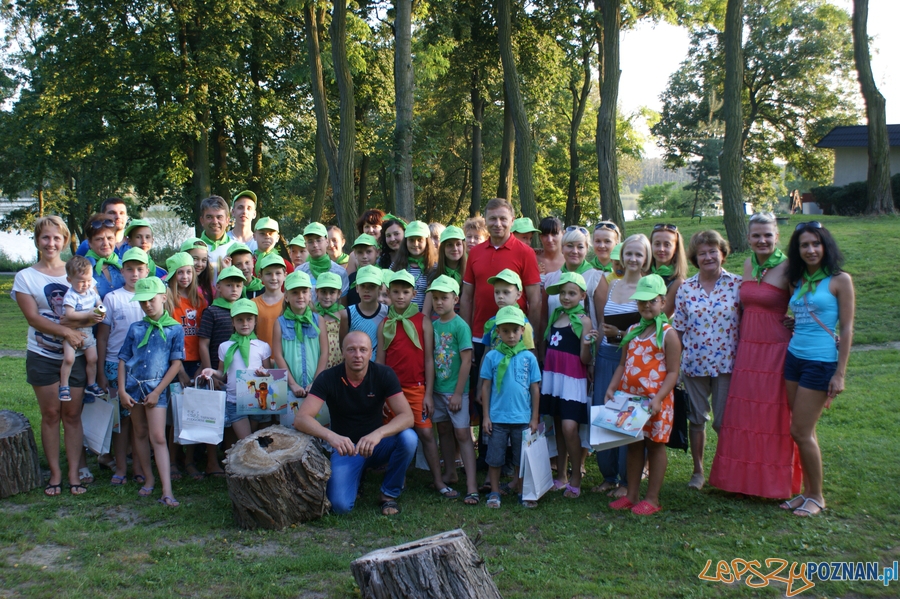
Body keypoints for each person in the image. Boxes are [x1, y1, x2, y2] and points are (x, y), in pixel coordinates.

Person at [709, 213, 802, 500]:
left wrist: (798, 320)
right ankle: (741, 482)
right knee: (745, 415)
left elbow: (803, 304)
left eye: (768, 235)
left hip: (776, 349)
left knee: (771, 413)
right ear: (748, 238)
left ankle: (773, 484)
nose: (762, 240)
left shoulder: (789, 268)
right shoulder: (748, 263)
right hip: (748, 349)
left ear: (777, 237)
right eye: (756, 235)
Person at [14, 216, 96, 495]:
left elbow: (92, 310)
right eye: (45, 237)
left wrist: (80, 330)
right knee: (50, 415)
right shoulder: (25, 277)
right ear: (37, 240)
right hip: (43, 355)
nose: (51, 243)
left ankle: (74, 473)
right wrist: (67, 333)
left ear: (64, 241)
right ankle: (55, 474)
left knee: (72, 415)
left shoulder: (77, 271)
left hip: (77, 355)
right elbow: (34, 318)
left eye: (56, 238)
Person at [294, 331, 417, 515]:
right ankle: (357, 476)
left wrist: (379, 434)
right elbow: (301, 418)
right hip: (346, 449)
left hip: (376, 445)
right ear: (342, 352)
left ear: (370, 352)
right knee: (340, 507)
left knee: (409, 438)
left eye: (363, 350)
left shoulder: (384, 374)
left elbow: (407, 417)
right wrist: (332, 437)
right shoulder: (328, 377)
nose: (357, 355)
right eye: (351, 350)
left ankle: (389, 494)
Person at [781, 222, 854, 517]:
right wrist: (793, 322)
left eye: (816, 244)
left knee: (800, 430)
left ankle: (817, 496)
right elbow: (802, 315)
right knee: (803, 431)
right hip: (793, 358)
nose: (811, 250)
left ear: (825, 246)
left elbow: (847, 328)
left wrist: (840, 372)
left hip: (821, 362)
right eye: (804, 245)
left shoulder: (840, 280)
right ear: (797, 250)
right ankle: (806, 493)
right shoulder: (795, 281)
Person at [606, 275, 682, 515]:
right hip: (631, 402)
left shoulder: (668, 334)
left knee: (656, 447)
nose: (646, 306)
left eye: (652, 301)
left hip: (655, 402)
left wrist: (658, 398)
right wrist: (612, 386)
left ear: (662, 302)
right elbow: (622, 364)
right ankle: (632, 494)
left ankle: (652, 497)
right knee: (634, 445)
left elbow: (672, 372)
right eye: (641, 301)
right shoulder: (631, 331)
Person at [377, 270, 456, 498]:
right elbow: (381, 362)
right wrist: (382, 394)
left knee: (427, 434)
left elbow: (429, 359)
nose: (400, 296)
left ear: (414, 293)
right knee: (394, 436)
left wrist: (428, 393)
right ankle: (397, 479)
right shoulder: (385, 324)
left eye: (405, 292)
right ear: (389, 293)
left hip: (417, 388)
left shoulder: (423, 322)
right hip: (392, 391)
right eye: (395, 292)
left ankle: (439, 481)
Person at [672, 230, 741, 491]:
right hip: (694, 364)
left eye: (713, 251)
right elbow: (678, 329)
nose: (708, 256)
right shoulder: (686, 288)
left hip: (727, 364)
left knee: (724, 421)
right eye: (702, 253)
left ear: (722, 253)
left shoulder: (737, 284)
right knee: (696, 419)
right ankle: (698, 471)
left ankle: (725, 470)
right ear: (694, 257)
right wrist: (674, 366)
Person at [591, 234, 651, 497]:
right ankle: (608, 475)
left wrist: (620, 334)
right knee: (604, 416)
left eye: (639, 254)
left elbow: (650, 329)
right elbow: (603, 325)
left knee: (628, 419)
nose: (633, 259)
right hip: (607, 357)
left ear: (646, 258)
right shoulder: (610, 286)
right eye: (629, 253)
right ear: (622, 256)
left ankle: (628, 481)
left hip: (634, 363)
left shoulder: (649, 288)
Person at [117, 276, 184, 507]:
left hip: (156, 390)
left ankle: (167, 489)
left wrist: (158, 391)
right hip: (133, 388)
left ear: (163, 298)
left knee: (158, 436)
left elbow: (176, 364)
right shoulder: (136, 328)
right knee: (140, 433)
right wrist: (122, 390)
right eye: (142, 301)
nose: (147, 305)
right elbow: (124, 359)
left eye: (151, 300)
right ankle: (149, 477)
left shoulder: (175, 329)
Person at [460, 197, 542, 389]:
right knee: (482, 393)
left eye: (503, 219)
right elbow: (466, 298)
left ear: (512, 220)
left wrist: (532, 337)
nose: (498, 224)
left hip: (515, 337)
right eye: (493, 219)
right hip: (480, 336)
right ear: (486, 221)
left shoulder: (525, 252)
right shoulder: (475, 252)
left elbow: (535, 301)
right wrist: (466, 339)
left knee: (514, 391)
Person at [97, 247, 151, 485]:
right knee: (121, 421)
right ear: (122, 271)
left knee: (141, 420)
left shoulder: (152, 298)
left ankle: (139, 466)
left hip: (144, 369)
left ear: (147, 270)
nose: (135, 274)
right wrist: (100, 371)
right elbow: (102, 337)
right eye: (129, 269)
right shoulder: (112, 298)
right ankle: (120, 467)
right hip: (113, 366)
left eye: (140, 269)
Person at [540, 272, 595, 498]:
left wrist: (587, 345)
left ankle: (576, 475)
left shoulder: (583, 320)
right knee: (558, 425)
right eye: (562, 293)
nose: (565, 297)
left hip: (572, 379)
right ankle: (561, 474)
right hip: (554, 378)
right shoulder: (556, 316)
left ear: (582, 295)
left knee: (569, 427)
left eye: (571, 293)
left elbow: (584, 359)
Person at [480, 306, 541, 509]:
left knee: (520, 458)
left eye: (515, 330)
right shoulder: (492, 357)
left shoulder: (529, 358)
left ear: (523, 330)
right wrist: (486, 417)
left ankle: (522, 489)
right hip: (497, 418)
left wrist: (534, 418)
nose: (511, 335)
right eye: (505, 331)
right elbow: (486, 387)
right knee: (495, 457)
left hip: (522, 418)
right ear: (498, 332)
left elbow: (535, 389)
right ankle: (495, 491)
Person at [426, 275, 478, 505]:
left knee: (462, 434)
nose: (439, 302)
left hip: (457, 391)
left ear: (455, 299)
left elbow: (467, 361)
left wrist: (458, 393)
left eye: (444, 298)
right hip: (438, 389)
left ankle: (472, 485)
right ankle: (449, 472)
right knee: (444, 430)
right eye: (435, 298)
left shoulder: (460, 326)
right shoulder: (433, 325)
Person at [200, 299, 271, 441]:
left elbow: (269, 374)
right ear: (232, 322)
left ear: (255, 321)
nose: (245, 324)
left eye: (249, 319)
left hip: (257, 399)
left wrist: (264, 374)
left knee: (255, 442)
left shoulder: (262, 346)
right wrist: (212, 372)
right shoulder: (225, 347)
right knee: (246, 441)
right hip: (234, 401)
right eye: (239, 320)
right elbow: (222, 374)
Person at [272, 271, 328, 403]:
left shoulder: (318, 320)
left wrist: (316, 382)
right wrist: (292, 384)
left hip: (314, 385)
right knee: (288, 423)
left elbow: (324, 353)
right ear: (286, 297)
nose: (300, 296)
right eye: (294, 292)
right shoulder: (279, 323)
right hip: (288, 386)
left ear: (310, 295)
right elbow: (278, 355)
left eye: (304, 292)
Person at [60, 256, 105, 402]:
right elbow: (69, 314)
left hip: (87, 333)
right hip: (71, 332)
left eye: (89, 280)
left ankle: (91, 384)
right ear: (69, 280)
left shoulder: (91, 291)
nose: (86, 284)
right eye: (81, 281)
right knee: (68, 359)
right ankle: (64, 386)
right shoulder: (71, 296)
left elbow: (99, 302)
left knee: (93, 358)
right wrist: (89, 314)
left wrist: (101, 310)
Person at [298, 222, 350, 303]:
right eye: (310, 241)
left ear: (326, 241)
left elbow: (343, 305)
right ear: (305, 245)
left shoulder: (340, 272)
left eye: (318, 240)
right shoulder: (300, 272)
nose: (315, 245)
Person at [391, 220, 437, 311]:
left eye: (420, 240)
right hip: (399, 316)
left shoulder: (433, 267)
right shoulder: (396, 266)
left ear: (427, 242)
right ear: (405, 242)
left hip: (422, 319)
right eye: (411, 240)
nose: (415, 244)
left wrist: (423, 321)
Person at [423, 225, 467, 316]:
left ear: (463, 246)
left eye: (458, 244)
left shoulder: (469, 273)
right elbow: (426, 311)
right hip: (437, 326)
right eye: (450, 245)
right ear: (443, 248)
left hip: (460, 326)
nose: (455, 248)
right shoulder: (435, 273)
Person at [347, 265, 388, 361]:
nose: (367, 290)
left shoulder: (388, 312)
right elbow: (344, 345)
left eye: (372, 286)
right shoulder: (348, 314)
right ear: (357, 287)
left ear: (380, 288)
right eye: (363, 286)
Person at [649, 223, 688, 317]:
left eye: (667, 245)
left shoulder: (678, 282)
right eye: (657, 244)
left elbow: (662, 315)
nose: (661, 249)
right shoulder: (642, 273)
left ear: (675, 249)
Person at [84, 213, 126, 299]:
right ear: (90, 242)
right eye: (99, 239)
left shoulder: (125, 266)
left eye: (110, 238)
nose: (106, 244)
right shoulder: (81, 269)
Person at [252, 253, 287, 348]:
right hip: (260, 360)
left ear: (285, 275)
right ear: (260, 276)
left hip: (285, 359)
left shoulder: (290, 303)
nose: (274, 278)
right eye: (268, 273)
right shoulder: (252, 304)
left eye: (278, 273)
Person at [313, 272, 347, 368]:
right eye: (323, 292)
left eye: (332, 292)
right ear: (316, 292)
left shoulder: (342, 313)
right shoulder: (312, 313)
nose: (327, 296)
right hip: (317, 359)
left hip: (338, 359)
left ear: (339, 293)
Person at [198, 195, 236, 279]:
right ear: (202, 221)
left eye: (219, 217)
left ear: (227, 221)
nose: (215, 222)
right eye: (209, 217)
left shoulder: (237, 248)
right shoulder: (192, 249)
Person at [346, 234, 380, 306]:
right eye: (360, 252)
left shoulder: (383, 276)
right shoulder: (351, 278)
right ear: (355, 254)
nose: (364, 256)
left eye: (368, 252)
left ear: (377, 252)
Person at [182, 238, 213, 305]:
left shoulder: (207, 286)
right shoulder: (167, 283)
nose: (199, 264)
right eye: (195, 259)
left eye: (204, 260)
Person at [535, 217, 565, 285]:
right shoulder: (532, 258)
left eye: (554, 234)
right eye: (545, 235)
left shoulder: (569, 262)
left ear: (563, 234)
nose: (550, 240)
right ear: (540, 237)